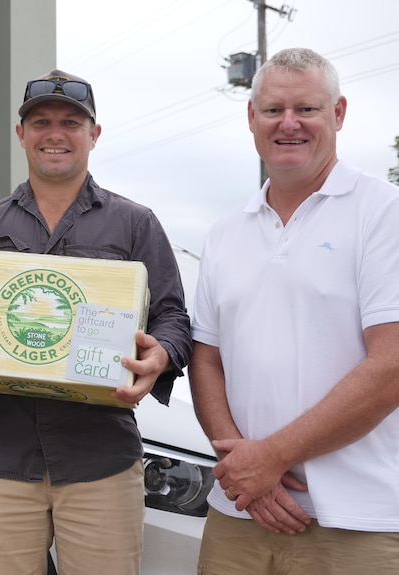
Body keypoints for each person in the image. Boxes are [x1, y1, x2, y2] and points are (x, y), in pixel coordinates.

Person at [0, 70, 192, 575]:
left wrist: (162, 354)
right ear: (21, 134)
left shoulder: (135, 224)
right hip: (0, 459)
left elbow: (172, 314)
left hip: (100, 460)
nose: (55, 133)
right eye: (40, 122)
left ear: (94, 134)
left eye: (71, 122)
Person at [190, 47, 399, 574]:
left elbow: (391, 364)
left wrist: (271, 457)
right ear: (251, 117)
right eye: (273, 110)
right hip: (238, 515)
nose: (289, 123)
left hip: (357, 521)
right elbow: (206, 358)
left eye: (306, 109)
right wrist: (242, 469)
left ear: (339, 113)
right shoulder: (225, 233)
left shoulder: (383, 213)